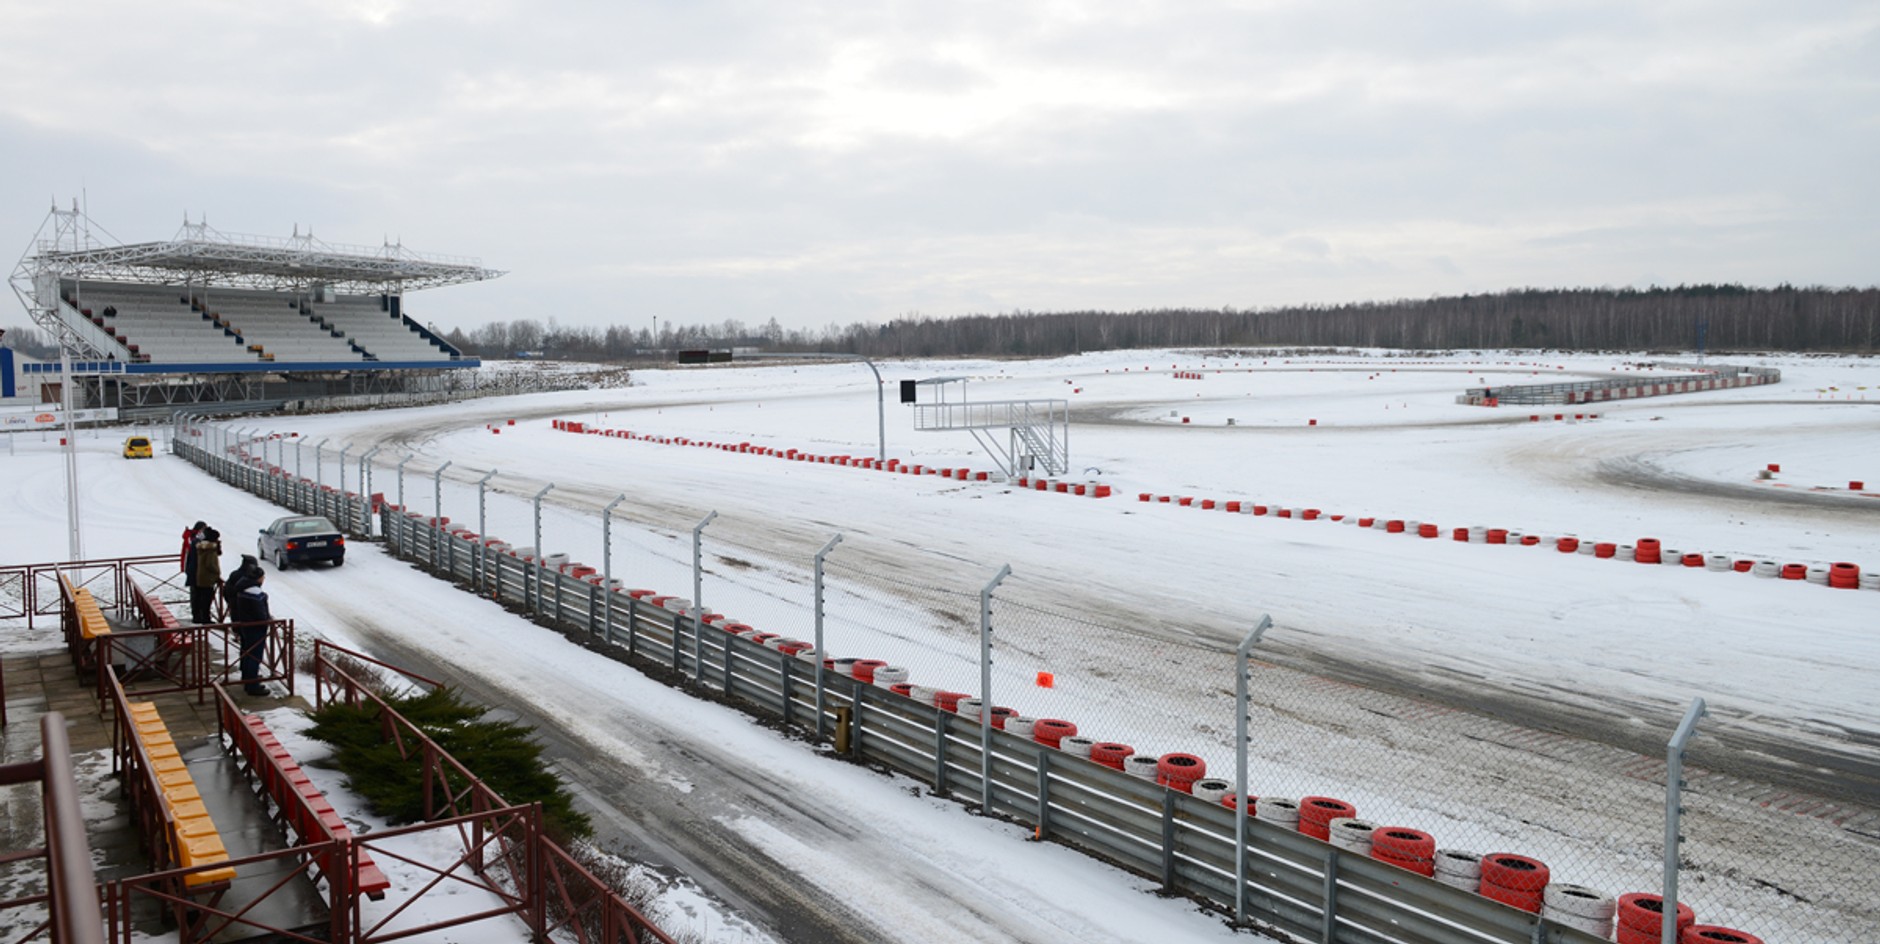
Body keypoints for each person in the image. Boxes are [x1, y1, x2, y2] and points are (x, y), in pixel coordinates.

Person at [231, 571, 273, 696]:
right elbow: (261, 615)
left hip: (245, 626)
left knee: (246, 652)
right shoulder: (256, 595)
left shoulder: (242, 590)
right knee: (254, 656)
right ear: (258, 578)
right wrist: (267, 620)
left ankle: (247, 677)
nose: (264, 579)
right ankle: (252, 685)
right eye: (263, 577)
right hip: (256, 628)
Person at [190, 527, 223, 624]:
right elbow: (210, 564)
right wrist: (217, 573)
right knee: (206, 600)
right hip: (208, 578)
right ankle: (206, 619)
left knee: (201, 598)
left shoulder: (201, 547)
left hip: (201, 576)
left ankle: (201, 617)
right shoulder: (210, 549)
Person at [222, 554, 263, 621]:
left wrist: (230, 603)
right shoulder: (247, 579)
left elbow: (225, 591)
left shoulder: (234, 574)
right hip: (244, 612)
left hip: (234, 607)